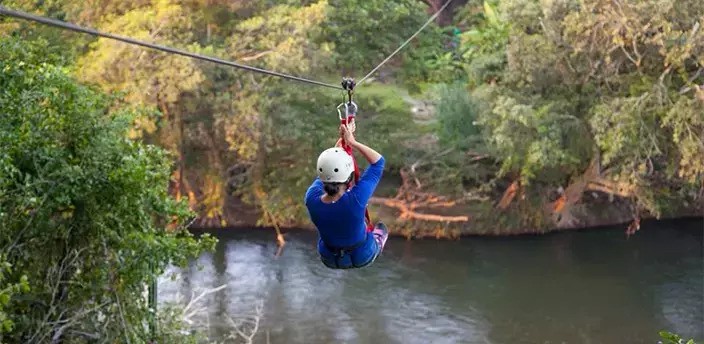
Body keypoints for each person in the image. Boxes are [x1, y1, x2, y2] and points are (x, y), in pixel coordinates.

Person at [304, 124, 389, 269]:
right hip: (362, 255)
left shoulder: (311, 198)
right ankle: (377, 241)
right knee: (378, 233)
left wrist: (342, 144)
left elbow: (329, 171)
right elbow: (378, 163)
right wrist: (353, 142)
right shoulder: (355, 200)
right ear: (350, 177)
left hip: (329, 257)